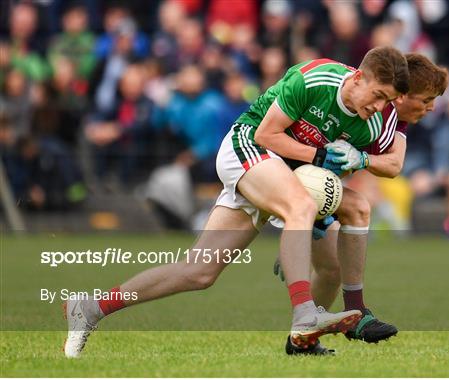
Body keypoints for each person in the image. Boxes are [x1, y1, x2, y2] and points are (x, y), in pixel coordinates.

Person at [64, 46, 410, 358]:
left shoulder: (373, 122)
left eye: (388, 101)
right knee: (300, 206)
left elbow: (373, 167)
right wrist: (317, 168)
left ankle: (91, 308)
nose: (379, 107)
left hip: (279, 172)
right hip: (247, 146)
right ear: (359, 77)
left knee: (198, 272)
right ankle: (305, 315)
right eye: (378, 95)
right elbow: (267, 135)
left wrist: (342, 175)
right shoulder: (315, 78)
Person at [275, 53, 449, 353]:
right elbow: (384, 163)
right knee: (199, 271)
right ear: (401, 95)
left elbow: (390, 164)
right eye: (426, 99)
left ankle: (302, 338)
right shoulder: (369, 108)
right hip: (276, 170)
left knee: (332, 269)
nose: (431, 107)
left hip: (309, 184)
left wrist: (321, 211)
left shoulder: (391, 121)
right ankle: (354, 310)